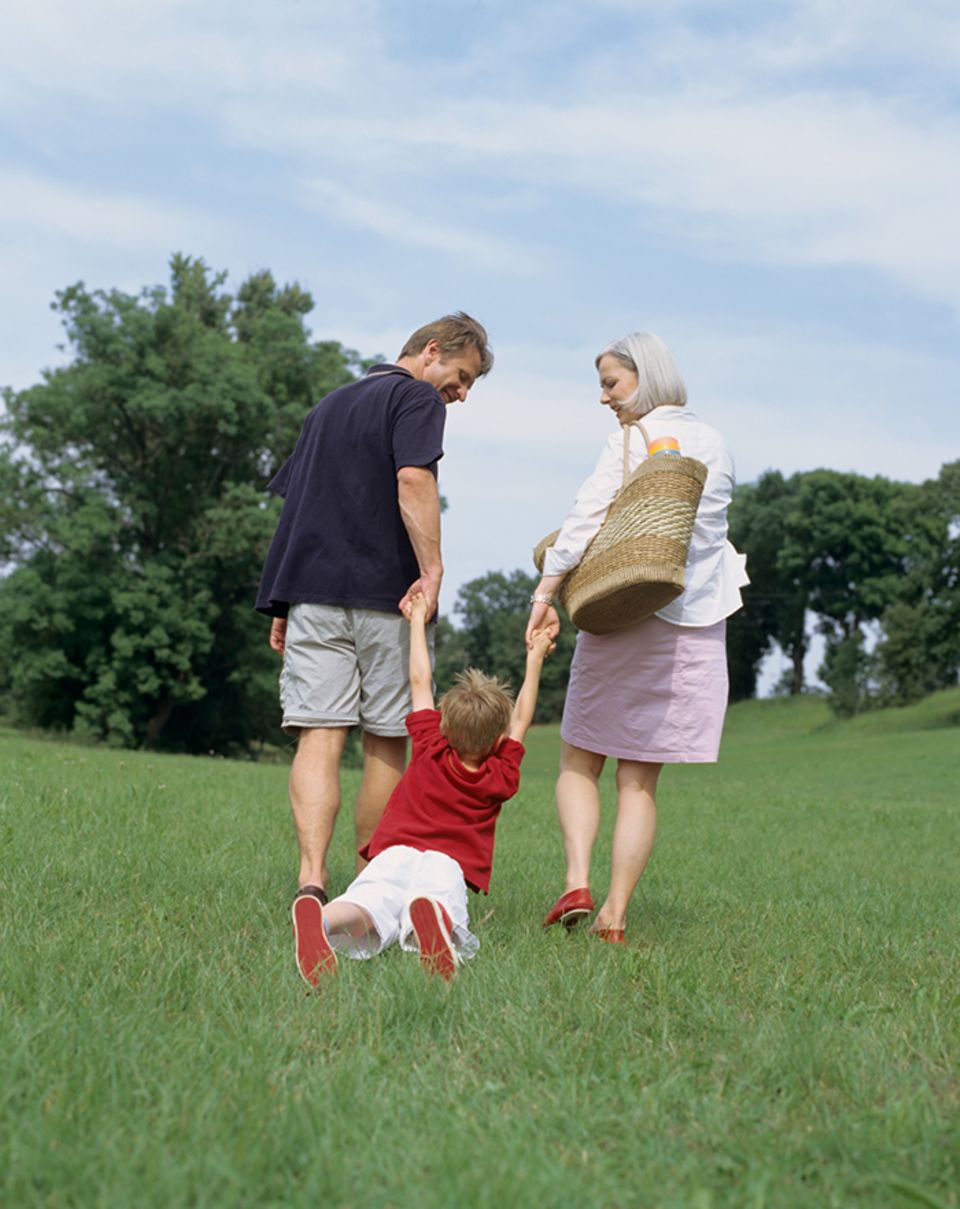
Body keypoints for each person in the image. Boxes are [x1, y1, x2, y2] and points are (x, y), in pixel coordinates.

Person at [256, 313, 493, 909]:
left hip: (312, 595)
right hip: (388, 597)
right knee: (387, 736)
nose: (460, 393)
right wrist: (432, 571)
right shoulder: (415, 397)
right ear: (432, 350)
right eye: (461, 377)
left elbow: (297, 508)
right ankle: (369, 883)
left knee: (319, 734)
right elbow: (413, 480)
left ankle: (311, 878)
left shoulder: (328, 405)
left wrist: (281, 601)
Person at [525, 331, 748, 944]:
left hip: (624, 609)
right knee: (639, 780)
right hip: (695, 620)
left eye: (611, 384)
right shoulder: (718, 443)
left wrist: (545, 594)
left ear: (644, 380)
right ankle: (615, 915)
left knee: (578, 757)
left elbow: (584, 520)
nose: (604, 399)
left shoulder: (631, 438)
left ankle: (576, 879)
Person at [291, 592, 556, 985]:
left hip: (394, 852)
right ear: (498, 740)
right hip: (446, 862)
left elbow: (420, 679)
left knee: (371, 901)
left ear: (445, 725)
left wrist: (416, 621)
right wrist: (534, 659)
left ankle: (326, 918)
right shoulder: (500, 773)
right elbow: (521, 720)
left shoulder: (431, 746)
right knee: (439, 901)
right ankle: (430, 919)